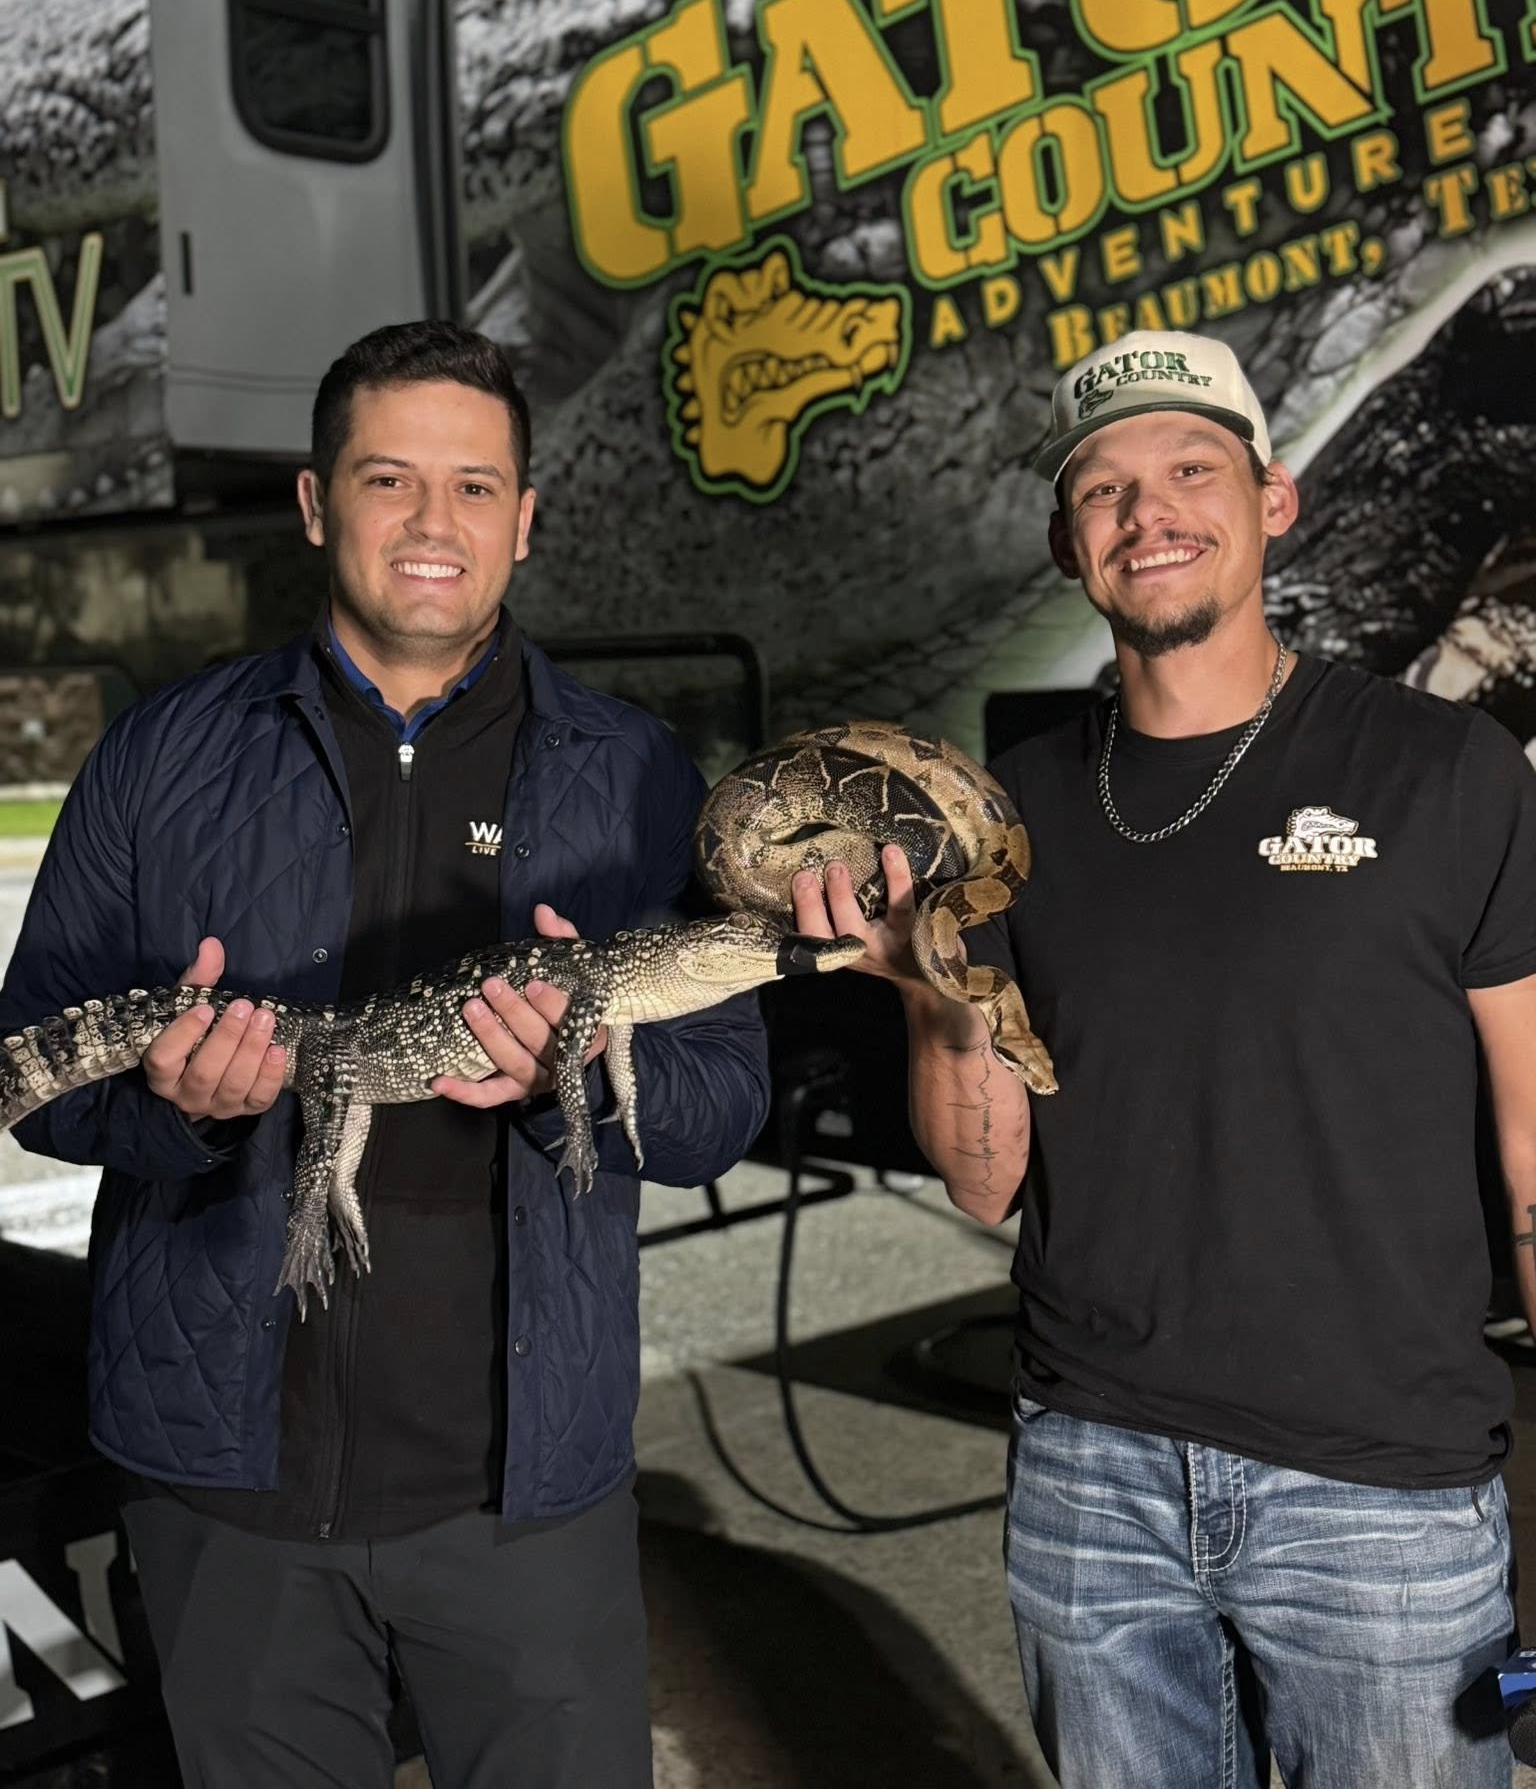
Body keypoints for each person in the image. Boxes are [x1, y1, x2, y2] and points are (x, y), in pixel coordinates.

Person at [1, 320, 771, 1788]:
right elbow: (34, 1075)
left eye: (477, 488)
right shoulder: (164, 756)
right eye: (389, 479)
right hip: (224, 1486)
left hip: (524, 1497)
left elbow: (723, 1101)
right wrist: (180, 1110)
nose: (434, 524)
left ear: (528, 520)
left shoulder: (636, 775)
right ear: (314, 503)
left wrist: (580, 1076)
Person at [793, 330, 1536, 1789]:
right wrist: (933, 995)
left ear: (1274, 502)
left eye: (1191, 469)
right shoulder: (1011, 815)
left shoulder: (1445, 772)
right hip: (1092, 1472)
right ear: (1071, 546)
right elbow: (986, 1177)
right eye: (1105, 489)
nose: (1151, 512)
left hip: (1377, 1486)